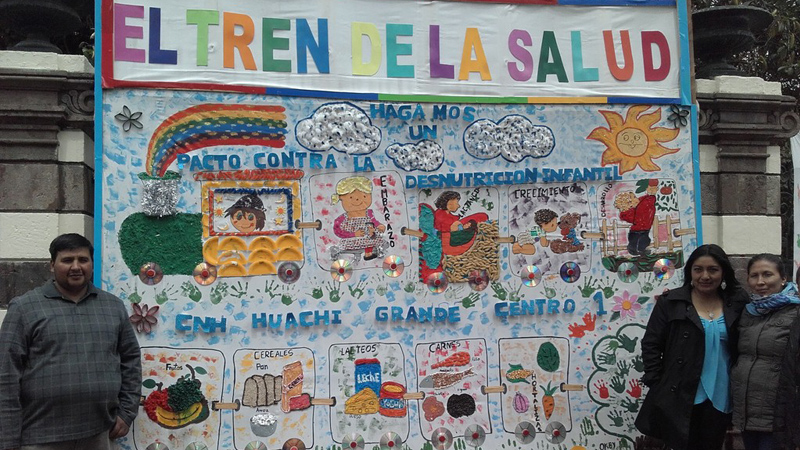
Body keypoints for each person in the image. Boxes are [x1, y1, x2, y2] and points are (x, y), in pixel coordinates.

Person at [0, 233, 141, 450]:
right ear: (52, 265)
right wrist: (8, 440)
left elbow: (131, 360)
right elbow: (6, 375)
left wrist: (127, 412)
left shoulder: (112, 307)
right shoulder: (24, 308)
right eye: (67, 260)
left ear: (91, 264)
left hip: (100, 433)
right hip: (39, 436)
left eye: (83, 260)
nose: (76, 267)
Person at [635, 244, 748, 450]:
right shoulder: (672, 302)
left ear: (723, 272)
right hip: (680, 393)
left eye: (713, 270)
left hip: (721, 392)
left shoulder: (737, 303)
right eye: (698, 269)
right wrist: (657, 382)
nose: (705, 276)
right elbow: (651, 343)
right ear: (690, 272)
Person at [731, 254, 800, 450]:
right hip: (746, 411)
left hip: (779, 414)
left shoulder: (795, 312)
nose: (760, 282)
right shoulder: (746, 312)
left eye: (767, 274)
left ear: (783, 278)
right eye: (754, 276)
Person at [331, 176, 386, 261]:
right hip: (351, 241)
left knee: (377, 241)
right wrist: (353, 234)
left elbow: (374, 222)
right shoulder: (342, 219)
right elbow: (337, 231)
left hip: (368, 239)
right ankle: (351, 256)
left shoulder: (369, 213)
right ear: (341, 198)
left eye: (364, 196)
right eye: (351, 197)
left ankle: (370, 254)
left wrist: (379, 226)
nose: (358, 200)